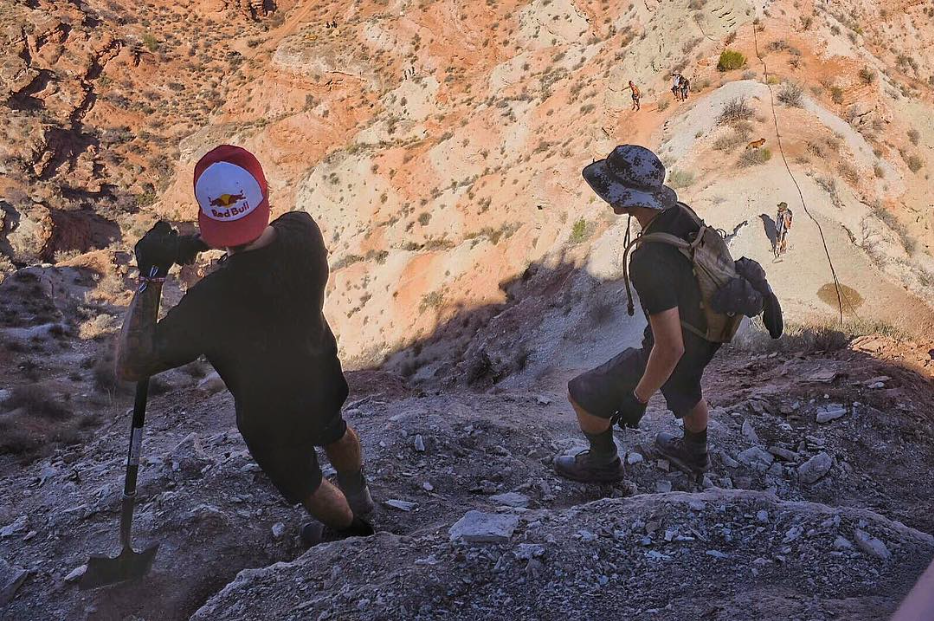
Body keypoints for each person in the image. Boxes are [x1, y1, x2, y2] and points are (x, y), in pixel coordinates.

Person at [115, 145, 375, 544]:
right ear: (264, 195)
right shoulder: (304, 233)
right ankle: (359, 493)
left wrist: (152, 274)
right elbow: (256, 234)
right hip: (319, 375)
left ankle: (350, 532)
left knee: (307, 483)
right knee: (336, 431)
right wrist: (207, 240)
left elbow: (132, 364)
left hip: (270, 416)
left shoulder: (212, 302)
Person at [554, 145, 723, 481]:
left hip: (681, 343)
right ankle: (695, 454)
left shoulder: (648, 260)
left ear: (626, 198)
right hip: (707, 330)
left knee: (583, 393)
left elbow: (670, 347)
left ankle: (602, 463)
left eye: (610, 190)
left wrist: (639, 397)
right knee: (686, 385)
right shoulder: (681, 214)